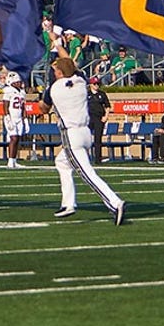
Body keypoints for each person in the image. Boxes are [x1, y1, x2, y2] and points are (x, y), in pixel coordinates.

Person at [38, 43, 126, 225]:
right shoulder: (81, 80)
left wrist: (39, 99)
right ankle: (68, 204)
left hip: (71, 135)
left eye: (56, 70)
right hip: (86, 132)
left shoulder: (54, 88)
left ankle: (114, 202)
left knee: (87, 173)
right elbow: (70, 63)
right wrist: (58, 43)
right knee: (61, 163)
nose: (54, 72)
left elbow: (43, 109)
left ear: (60, 73)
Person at [2, 72, 27, 169]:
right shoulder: (8, 91)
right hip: (11, 117)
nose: (19, 83)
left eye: (19, 82)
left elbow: (23, 107)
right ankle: (10, 162)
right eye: (17, 82)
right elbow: (5, 105)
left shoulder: (22, 92)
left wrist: (25, 120)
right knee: (14, 138)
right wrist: (7, 117)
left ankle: (14, 160)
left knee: (17, 139)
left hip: (19, 118)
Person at [87, 76, 110, 147]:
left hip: (99, 118)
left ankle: (98, 157)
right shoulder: (87, 94)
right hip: (89, 118)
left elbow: (107, 106)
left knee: (98, 139)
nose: (96, 85)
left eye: (98, 84)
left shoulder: (102, 94)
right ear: (91, 85)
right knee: (86, 138)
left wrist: (106, 116)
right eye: (95, 84)